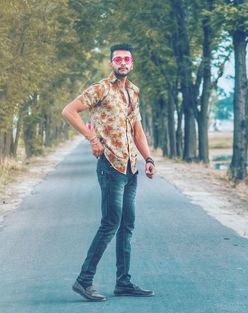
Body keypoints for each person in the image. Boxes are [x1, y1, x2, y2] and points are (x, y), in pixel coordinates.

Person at [62, 43, 156, 302]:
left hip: (131, 166)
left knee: (127, 224)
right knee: (110, 223)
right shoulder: (101, 89)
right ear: (111, 63)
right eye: (118, 59)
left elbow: (137, 129)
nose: (123, 63)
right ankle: (84, 281)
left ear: (132, 63)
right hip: (110, 165)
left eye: (127, 58)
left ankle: (123, 282)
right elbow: (69, 111)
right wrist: (92, 139)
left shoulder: (134, 92)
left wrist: (148, 158)